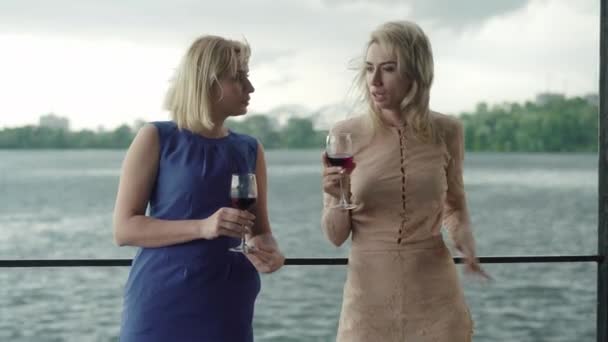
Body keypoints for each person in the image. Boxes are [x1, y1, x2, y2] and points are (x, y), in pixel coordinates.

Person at [321, 21, 489, 342]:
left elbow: (455, 206)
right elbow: (335, 236)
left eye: (388, 69)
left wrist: (466, 244)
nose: (374, 80)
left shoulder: (448, 130)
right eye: (369, 69)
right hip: (367, 299)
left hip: (436, 296)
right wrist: (338, 194)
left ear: (415, 73)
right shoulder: (344, 134)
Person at [113, 35, 285, 342]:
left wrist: (270, 252)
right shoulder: (156, 137)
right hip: (163, 305)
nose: (250, 88)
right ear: (208, 82)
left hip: (229, 305)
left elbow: (260, 230)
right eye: (239, 78)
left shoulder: (250, 149)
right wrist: (203, 227)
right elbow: (125, 229)